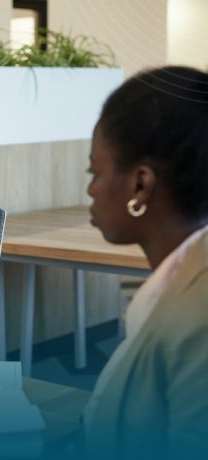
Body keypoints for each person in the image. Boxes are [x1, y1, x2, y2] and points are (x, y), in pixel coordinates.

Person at [83, 66, 208, 458]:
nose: (90, 188)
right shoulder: (183, 276)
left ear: (141, 184)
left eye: (95, 171)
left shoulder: (198, 321)